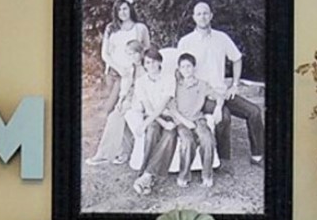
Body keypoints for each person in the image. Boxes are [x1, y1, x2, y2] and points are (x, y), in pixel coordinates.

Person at [177, 1, 264, 167]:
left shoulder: (221, 38)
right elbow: (180, 71)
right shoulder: (186, 42)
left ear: (211, 16)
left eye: (205, 13)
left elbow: (237, 58)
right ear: (194, 18)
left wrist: (235, 84)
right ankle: (223, 160)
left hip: (222, 92)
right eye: (199, 14)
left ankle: (258, 155)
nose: (202, 17)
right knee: (223, 116)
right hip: (201, 95)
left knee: (254, 111)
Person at [86, 39, 146, 166]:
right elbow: (125, 88)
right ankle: (123, 152)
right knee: (116, 115)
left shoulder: (147, 66)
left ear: (140, 53)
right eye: (128, 54)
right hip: (130, 99)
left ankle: (103, 155)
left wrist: (130, 102)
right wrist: (121, 100)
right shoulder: (129, 69)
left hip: (143, 101)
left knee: (115, 117)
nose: (132, 57)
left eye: (134, 53)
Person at [98, 0, 150, 137]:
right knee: (111, 108)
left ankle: (127, 149)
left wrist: (139, 68)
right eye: (119, 10)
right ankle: (116, 147)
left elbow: (146, 49)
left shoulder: (140, 28)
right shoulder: (111, 28)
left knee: (128, 109)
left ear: (130, 9)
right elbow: (105, 54)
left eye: (125, 9)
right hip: (115, 73)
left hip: (133, 75)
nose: (123, 12)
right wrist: (119, 68)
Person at [168, 52, 222, 188]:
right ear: (179, 69)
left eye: (189, 66)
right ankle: (184, 175)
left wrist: (218, 108)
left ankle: (207, 175)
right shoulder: (175, 85)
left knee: (207, 139)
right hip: (182, 121)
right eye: (183, 67)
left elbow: (219, 96)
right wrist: (185, 122)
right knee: (187, 141)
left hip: (198, 119)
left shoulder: (202, 84)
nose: (186, 70)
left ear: (194, 68)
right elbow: (172, 108)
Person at [129, 46, 178, 195]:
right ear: (143, 64)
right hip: (152, 116)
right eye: (148, 63)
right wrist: (159, 123)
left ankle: (146, 175)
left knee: (170, 136)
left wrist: (159, 122)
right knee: (152, 132)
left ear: (160, 62)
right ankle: (147, 178)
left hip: (167, 114)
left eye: (154, 62)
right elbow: (148, 107)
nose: (151, 66)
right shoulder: (140, 82)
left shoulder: (169, 78)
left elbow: (163, 104)